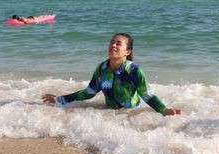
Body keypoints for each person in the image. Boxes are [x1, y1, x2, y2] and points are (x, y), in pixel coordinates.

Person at [42, 33, 182, 116]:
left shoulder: (134, 71)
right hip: (109, 114)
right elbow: (89, 92)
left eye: (118, 44)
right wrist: (61, 100)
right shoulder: (102, 68)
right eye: (112, 42)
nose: (113, 45)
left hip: (130, 115)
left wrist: (164, 110)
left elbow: (146, 95)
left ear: (127, 51)